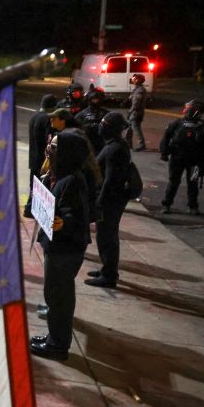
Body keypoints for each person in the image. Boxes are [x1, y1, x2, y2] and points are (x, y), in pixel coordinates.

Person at [30, 129, 91, 360]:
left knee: (59, 298)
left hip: (65, 250)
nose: (49, 150)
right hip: (58, 248)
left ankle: (57, 345)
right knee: (54, 295)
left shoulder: (73, 181)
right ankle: (53, 337)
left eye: (54, 147)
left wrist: (63, 223)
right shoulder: (61, 175)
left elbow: (80, 215)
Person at [85, 112, 131, 289]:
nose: (100, 127)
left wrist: (100, 201)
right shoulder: (114, 145)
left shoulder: (115, 149)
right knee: (105, 236)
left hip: (110, 202)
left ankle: (109, 275)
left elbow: (110, 180)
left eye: (104, 124)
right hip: (111, 200)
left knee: (107, 237)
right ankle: (107, 268)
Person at [159, 99, 204, 215]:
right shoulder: (177, 123)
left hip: (194, 161)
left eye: (188, 108)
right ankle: (167, 204)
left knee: (192, 183)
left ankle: (192, 206)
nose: (185, 110)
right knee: (175, 182)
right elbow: (166, 139)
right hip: (178, 159)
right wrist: (164, 153)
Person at [24, 94, 57, 217]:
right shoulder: (48, 119)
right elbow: (49, 140)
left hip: (33, 157)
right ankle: (34, 209)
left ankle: (29, 208)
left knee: (33, 185)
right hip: (43, 159)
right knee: (42, 186)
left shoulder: (34, 116)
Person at [77, 87, 110, 154]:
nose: (95, 101)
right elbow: (75, 125)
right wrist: (87, 127)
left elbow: (116, 123)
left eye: (97, 99)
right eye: (94, 100)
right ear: (89, 100)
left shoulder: (105, 112)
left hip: (102, 141)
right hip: (88, 141)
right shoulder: (83, 113)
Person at [126, 73, 148, 151]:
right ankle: (128, 144)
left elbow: (136, 103)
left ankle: (142, 144)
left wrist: (130, 111)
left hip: (136, 112)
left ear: (139, 80)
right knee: (129, 128)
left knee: (135, 129)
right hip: (135, 112)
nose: (133, 80)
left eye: (134, 79)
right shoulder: (137, 89)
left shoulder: (140, 90)